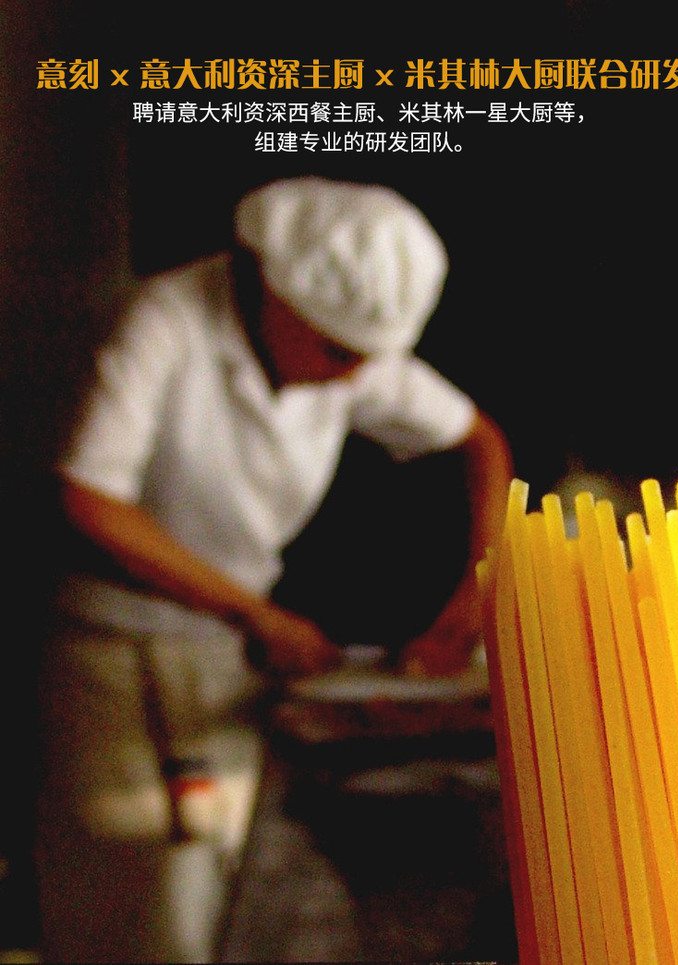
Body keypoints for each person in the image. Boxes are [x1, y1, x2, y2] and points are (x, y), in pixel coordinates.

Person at [35, 176, 513, 962]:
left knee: (221, 905)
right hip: (111, 654)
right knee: (139, 910)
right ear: (272, 291)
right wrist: (256, 613)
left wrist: (478, 592)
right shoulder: (165, 320)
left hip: (224, 658)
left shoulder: (346, 352)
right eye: (338, 353)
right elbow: (87, 495)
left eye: (369, 360)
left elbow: (481, 441)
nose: (353, 376)